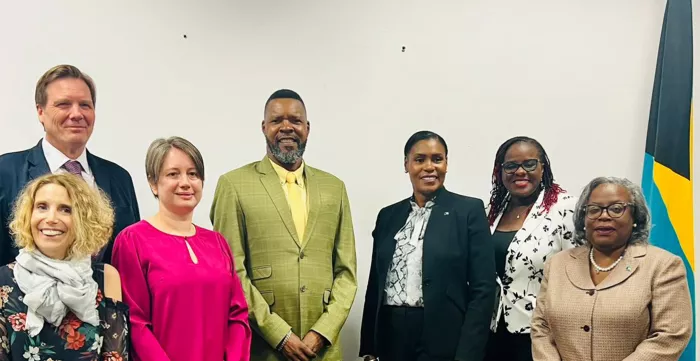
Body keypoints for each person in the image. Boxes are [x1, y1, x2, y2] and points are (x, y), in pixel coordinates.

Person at [210, 89, 357, 361]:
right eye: (277, 120)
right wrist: (280, 335)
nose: (287, 127)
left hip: (324, 349)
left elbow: (347, 273)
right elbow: (232, 271)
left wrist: (322, 332)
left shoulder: (334, 188)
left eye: (295, 120)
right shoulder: (233, 185)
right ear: (264, 127)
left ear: (307, 128)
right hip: (263, 348)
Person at [359, 130, 496, 361]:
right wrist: (370, 347)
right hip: (392, 335)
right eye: (420, 159)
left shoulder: (468, 211)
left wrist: (469, 352)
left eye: (437, 159)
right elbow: (376, 282)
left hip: (444, 336)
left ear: (446, 163)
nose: (429, 167)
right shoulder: (388, 216)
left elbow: (483, 289)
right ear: (406, 164)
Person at [111, 137, 251, 361]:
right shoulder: (132, 241)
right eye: (173, 174)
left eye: (193, 174)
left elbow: (237, 316)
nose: (185, 183)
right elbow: (134, 322)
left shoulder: (217, 243)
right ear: (153, 183)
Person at [531, 177, 693, 360]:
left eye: (617, 209)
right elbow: (541, 326)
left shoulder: (663, 265)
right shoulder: (557, 264)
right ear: (583, 219)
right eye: (594, 209)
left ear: (635, 217)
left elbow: (671, 335)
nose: (604, 216)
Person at [0, 64, 140, 266]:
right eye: (64, 104)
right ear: (40, 112)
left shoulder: (119, 178)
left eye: (85, 105)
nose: (76, 114)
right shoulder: (6, 172)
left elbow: (129, 260)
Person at [0, 173, 129, 360]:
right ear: (29, 215)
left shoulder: (106, 278)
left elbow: (115, 355)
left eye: (66, 210)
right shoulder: (3, 280)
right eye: (42, 207)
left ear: (84, 221)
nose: (51, 218)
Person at [484, 136, 580, 361]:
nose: (520, 171)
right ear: (500, 171)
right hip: (492, 331)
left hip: (540, 334)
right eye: (511, 165)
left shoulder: (566, 209)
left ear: (543, 167)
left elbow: (579, 275)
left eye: (529, 164)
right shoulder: (492, 211)